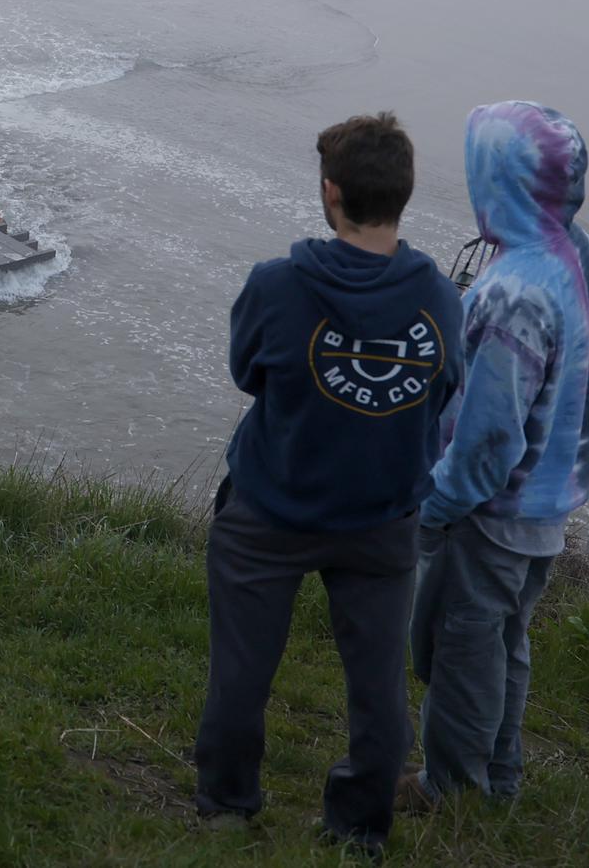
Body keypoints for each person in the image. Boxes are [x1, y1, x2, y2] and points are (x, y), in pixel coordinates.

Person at [195, 113, 464, 854]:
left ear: (331, 192)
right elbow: (441, 391)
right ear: (403, 197)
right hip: (381, 520)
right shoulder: (441, 299)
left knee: (242, 670)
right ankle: (358, 828)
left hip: (271, 507)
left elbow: (247, 372)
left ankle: (226, 804)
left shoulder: (277, 286)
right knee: (378, 688)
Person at [403, 102, 589, 809]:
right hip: (544, 502)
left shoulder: (513, 290)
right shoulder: (572, 252)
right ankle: (498, 782)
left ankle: (452, 793)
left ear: (501, 179)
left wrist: (434, 510)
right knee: (502, 644)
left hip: (490, 510)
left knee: (462, 651)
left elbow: (489, 436)